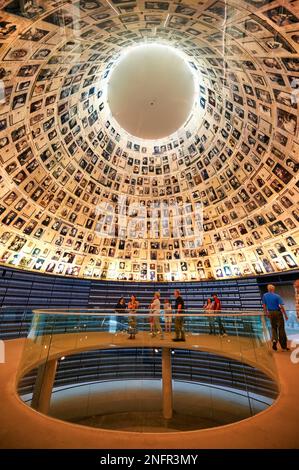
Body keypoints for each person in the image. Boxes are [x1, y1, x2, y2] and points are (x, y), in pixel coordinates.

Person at [262, 285, 289, 351]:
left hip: (270, 313)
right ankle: (284, 347)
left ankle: (274, 341)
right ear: (273, 289)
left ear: (268, 289)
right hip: (278, 313)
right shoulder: (277, 296)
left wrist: (266, 313)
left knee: (273, 328)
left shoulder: (265, 295)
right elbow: (281, 306)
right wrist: (285, 315)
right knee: (281, 329)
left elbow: (264, 305)